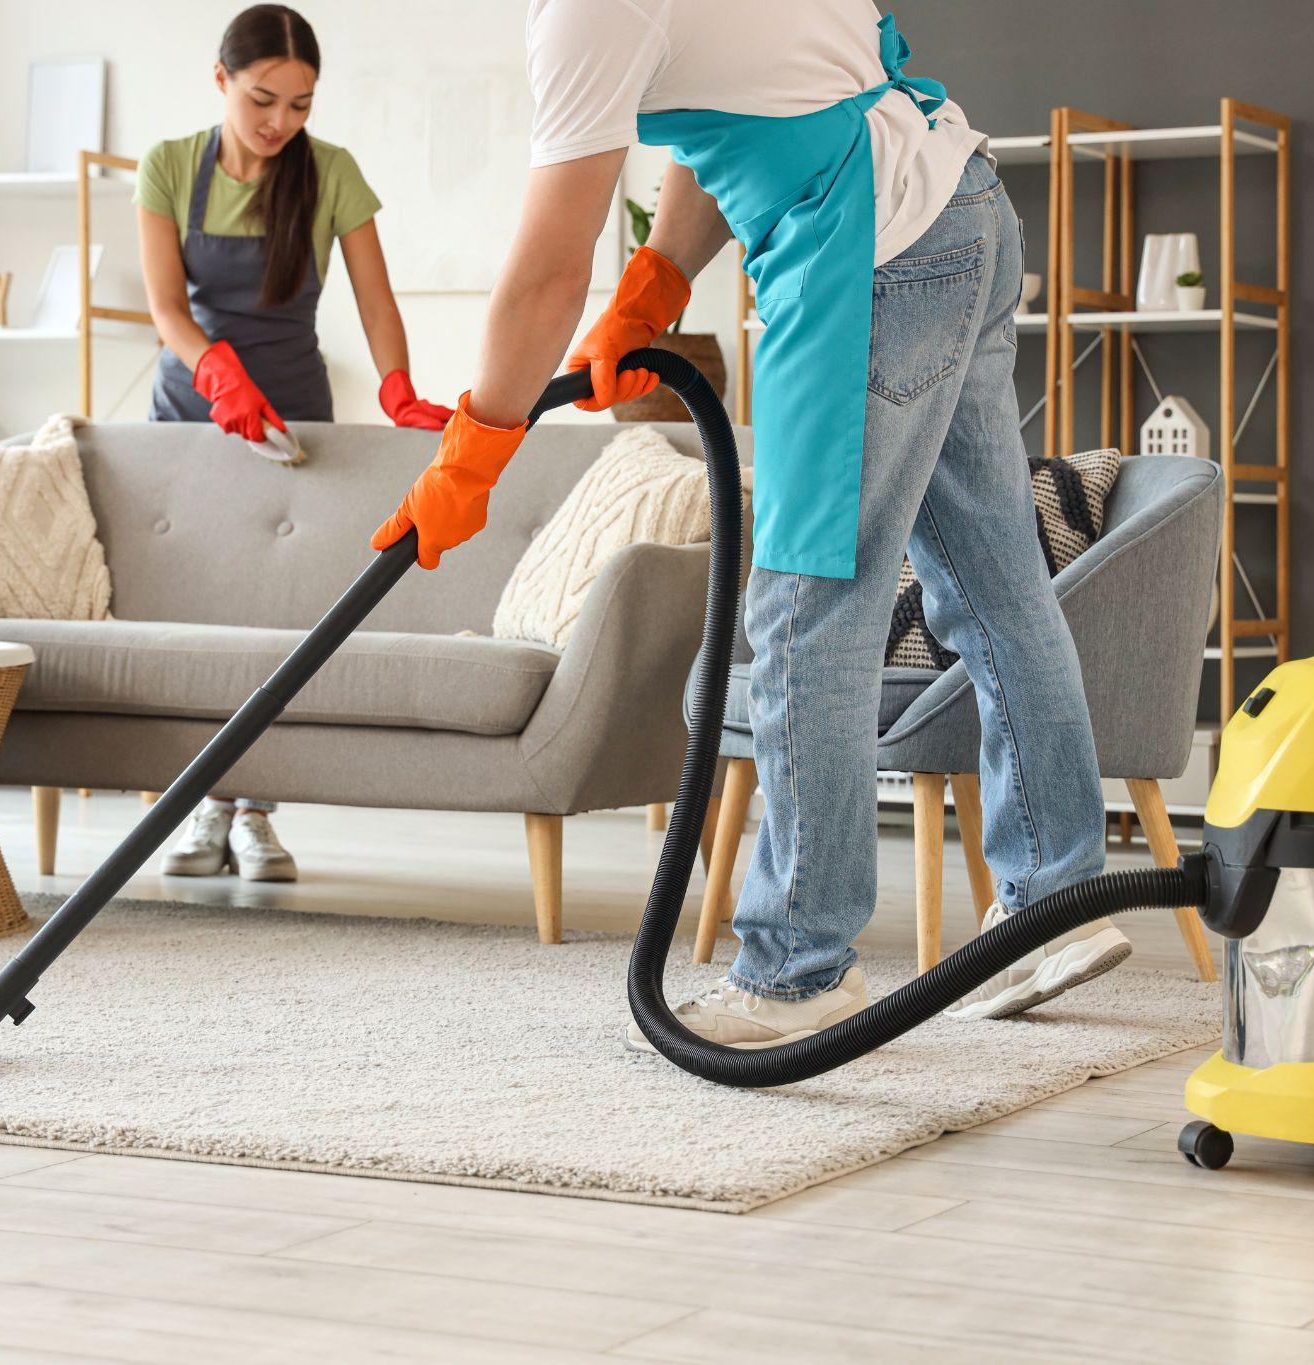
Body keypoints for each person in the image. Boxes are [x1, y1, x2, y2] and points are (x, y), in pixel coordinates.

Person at [372, 0, 1130, 1047]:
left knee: (805, 607)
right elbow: (729, 97)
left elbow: (548, 264)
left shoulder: (587, 9)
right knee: (992, 576)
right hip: (959, 211)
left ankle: (797, 967)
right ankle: (1051, 903)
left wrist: (478, 445)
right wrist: (656, 281)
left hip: (862, 252)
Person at [138, 4, 453, 883]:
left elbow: (375, 298)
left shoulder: (331, 172)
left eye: (301, 105)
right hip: (195, 412)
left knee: (282, 623)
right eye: (262, 100)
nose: (280, 123)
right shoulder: (167, 167)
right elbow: (167, 309)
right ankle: (204, 811)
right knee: (202, 615)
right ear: (221, 81)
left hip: (294, 415)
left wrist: (396, 385)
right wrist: (213, 374)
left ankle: (259, 817)